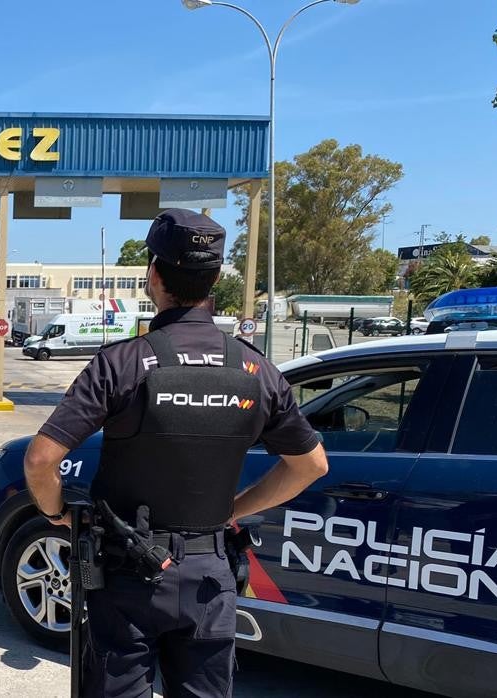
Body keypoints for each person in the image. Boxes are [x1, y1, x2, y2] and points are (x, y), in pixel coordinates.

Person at [23, 209, 329, 698]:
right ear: (213, 279)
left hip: (128, 577)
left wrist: (54, 510)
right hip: (211, 575)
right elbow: (311, 464)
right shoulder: (256, 370)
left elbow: (41, 460)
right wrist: (234, 510)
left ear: (154, 275)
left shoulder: (121, 364)